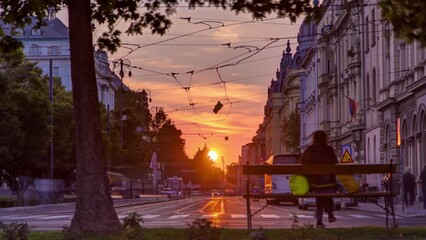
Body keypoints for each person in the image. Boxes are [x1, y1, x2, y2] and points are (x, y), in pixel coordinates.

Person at [301, 130, 338, 228]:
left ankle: (319, 222)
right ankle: (330, 214)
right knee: (327, 194)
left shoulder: (309, 150)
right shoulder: (329, 149)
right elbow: (335, 163)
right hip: (329, 182)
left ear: (314, 139)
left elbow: (303, 164)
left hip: (314, 184)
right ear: (325, 138)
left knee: (320, 198)